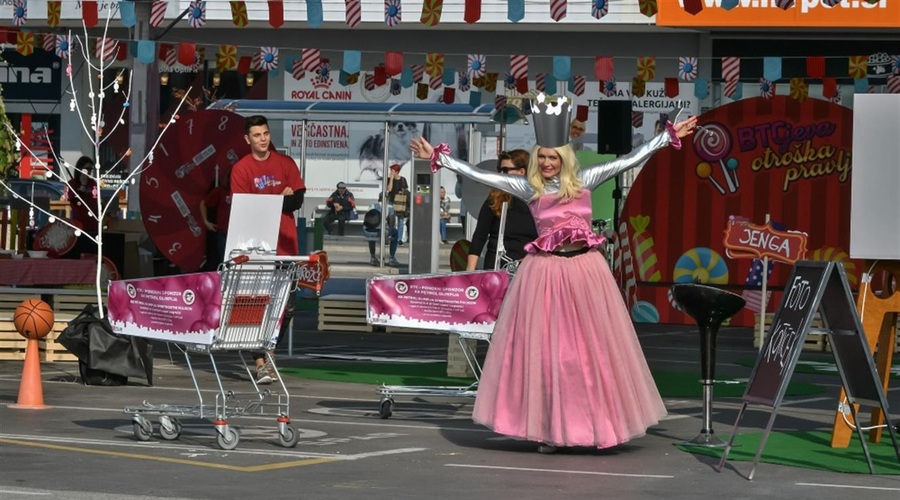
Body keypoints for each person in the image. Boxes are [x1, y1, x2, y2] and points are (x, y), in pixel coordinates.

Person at [411, 95, 698, 453]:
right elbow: (480, 173)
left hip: (585, 272)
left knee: (591, 353)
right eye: (542, 156)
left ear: (565, 156)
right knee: (551, 355)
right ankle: (550, 429)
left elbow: (630, 159)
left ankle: (598, 426)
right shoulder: (527, 188)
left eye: (553, 156)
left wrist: (665, 137)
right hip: (545, 275)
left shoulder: (585, 180)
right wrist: (441, 158)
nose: (547, 163)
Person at [230, 115, 306, 385]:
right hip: (256, 248)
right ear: (247, 139)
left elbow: (297, 200)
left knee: (287, 308)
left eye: (266, 133)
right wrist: (278, 198)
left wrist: (274, 201)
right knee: (256, 305)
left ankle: (271, 350)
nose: (263, 139)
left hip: (286, 247)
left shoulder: (285, 163)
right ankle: (261, 362)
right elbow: (246, 209)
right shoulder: (241, 169)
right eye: (257, 135)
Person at [466, 150, 538, 271]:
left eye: (505, 170)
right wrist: (470, 271)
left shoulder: (537, 201)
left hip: (528, 268)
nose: (501, 174)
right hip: (496, 267)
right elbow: (479, 236)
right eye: (500, 170)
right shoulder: (495, 199)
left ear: (522, 172)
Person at [199, 175, 231, 267]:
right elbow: (203, 203)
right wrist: (206, 222)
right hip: (223, 233)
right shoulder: (221, 190)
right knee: (225, 264)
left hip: (240, 234)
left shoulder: (243, 189)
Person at [362, 193, 400, 267]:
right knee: (395, 233)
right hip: (381, 232)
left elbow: (367, 218)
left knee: (372, 235)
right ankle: (392, 257)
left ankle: (373, 257)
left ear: (379, 198)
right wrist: (389, 231)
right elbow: (392, 222)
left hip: (368, 231)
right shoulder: (389, 207)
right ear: (387, 199)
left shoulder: (372, 205)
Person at [66, 156, 99, 234]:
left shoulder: (92, 183)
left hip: (93, 223)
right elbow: (76, 203)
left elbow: (95, 201)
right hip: (79, 223)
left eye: (91, 169)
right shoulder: (72, 183)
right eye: (86, 169)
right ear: (80, 169)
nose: (89, 171)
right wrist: (83, 186)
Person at [386, 164, 409, 244]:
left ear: (396, 171)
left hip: (400, 203)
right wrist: (391, 178)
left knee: (400, 220)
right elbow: (389, 189)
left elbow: (406, 190)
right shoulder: (389, 179)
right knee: (391, 220)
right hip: (391, 201)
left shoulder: (402, 179)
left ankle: (399, 239)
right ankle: (391, 237)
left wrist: (402, 191)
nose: (390, 172)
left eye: (392, 171)